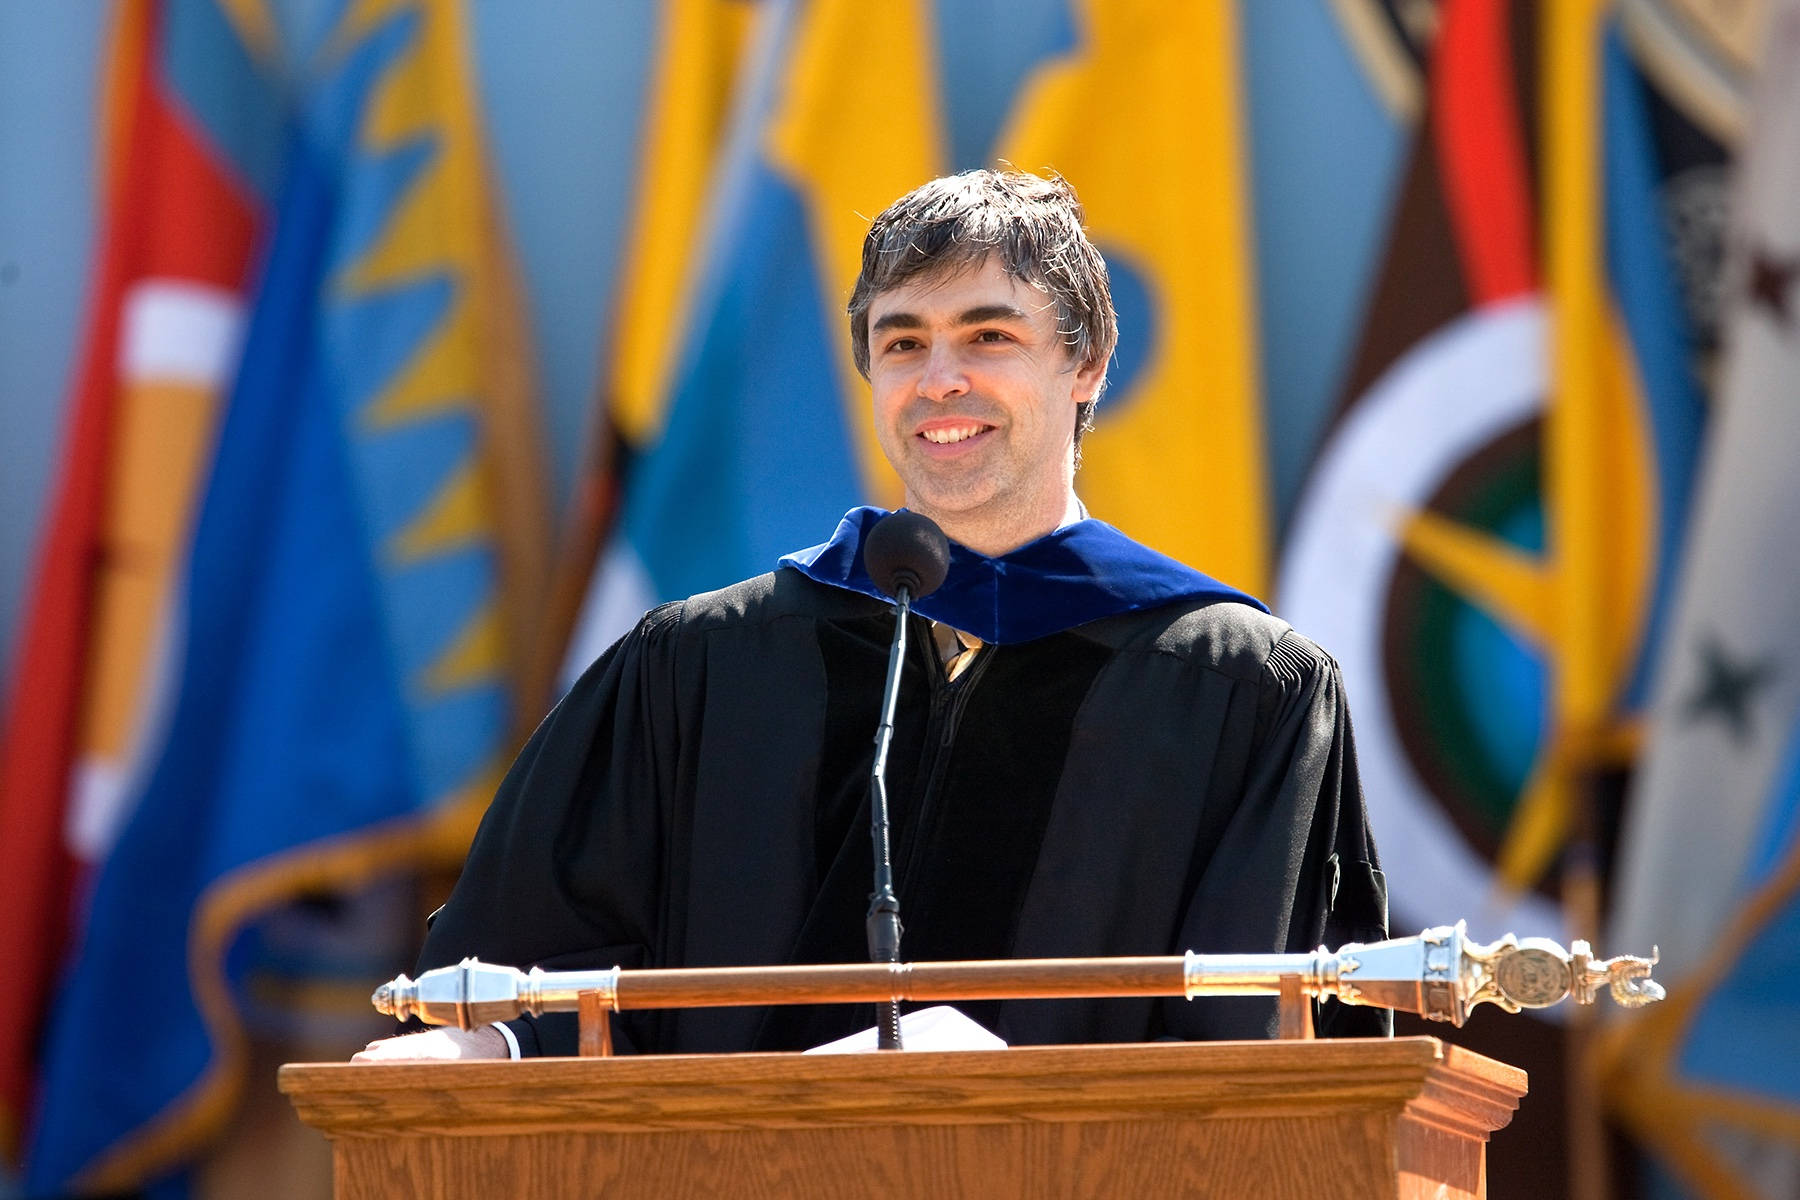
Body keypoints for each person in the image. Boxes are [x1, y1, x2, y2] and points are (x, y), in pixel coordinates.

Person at [355, 169, 1388, 1062]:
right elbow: (538, 973)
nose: (941, 380)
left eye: (989, 334)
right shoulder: (703, 668)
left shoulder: (1244, 692)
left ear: (1087, 365)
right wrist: (481, 1036)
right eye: (904, 343)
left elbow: (1279, 1046)